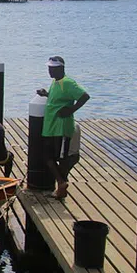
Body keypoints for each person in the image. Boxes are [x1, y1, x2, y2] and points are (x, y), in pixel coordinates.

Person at [36, 56, 90, 199]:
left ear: (60, 68)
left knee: (61, 157)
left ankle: (61, 183)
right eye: (49, 68)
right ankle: (61, 184)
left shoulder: (67, 83)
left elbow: (84, 96)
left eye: (52, 68)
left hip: (61, 126)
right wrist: (46, 94)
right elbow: (57, 98)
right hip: (51, 126)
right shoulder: (55, 82)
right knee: (47, 155)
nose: (49, 71)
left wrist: (71, 109)